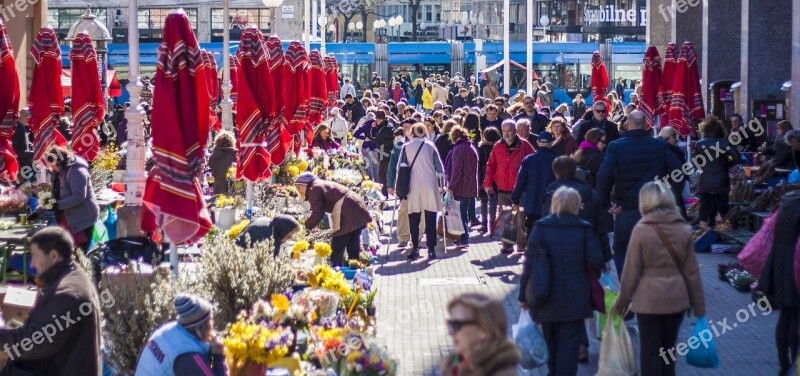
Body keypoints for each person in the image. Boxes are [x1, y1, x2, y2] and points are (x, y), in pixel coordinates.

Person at [612, 182, 706, 376]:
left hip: (648, 301)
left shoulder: (641, 230)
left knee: (650, 352)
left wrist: (620, 304)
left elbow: (631, 272)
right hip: (677, 300)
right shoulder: (683, 229)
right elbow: (692, 272)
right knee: (669, 351)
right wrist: (699, 308)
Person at [519, 186, 604, 376]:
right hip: (577, 297)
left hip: (546, 295)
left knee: (551, 341)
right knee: (570, 345)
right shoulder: (584, 228)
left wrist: (522, 294)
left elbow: (529, 263)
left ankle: (552, 372)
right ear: (577, 205)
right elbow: (596, 260)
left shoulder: (541, 228)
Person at [0, 227, 102, 375]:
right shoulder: (75, 278)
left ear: (53, 255)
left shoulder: (67, 293)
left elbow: (33, 343)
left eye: (34, 256)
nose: (32, 265)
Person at [597, 110, 681, 277]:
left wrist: (605, 203)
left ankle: (628, 288)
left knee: (622, 248)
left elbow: (603, 176)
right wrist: (666, 193)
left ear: (627, 124)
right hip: (654, 208)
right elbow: (679, 171)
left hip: (626, 208)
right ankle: (649, 288)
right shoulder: (659, 145)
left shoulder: (616, 146)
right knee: (654, 249)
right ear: (646, 125)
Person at [758, 185, 800, 375]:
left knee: (786, 315)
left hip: (780, 263)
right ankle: (794, 364)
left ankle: (784, 365)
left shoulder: (787, 201)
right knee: (795, 319)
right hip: (796, 266)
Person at [135, 294, 227, 376]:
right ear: (203, 326)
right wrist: (219, 356)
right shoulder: (187, 355)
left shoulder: (168, 331)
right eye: (210, 320)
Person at [294, 173, 372, 266]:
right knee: (353, 244)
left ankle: (336, 271)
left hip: (346, 211)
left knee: (338, 245)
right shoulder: (318, 185)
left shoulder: (314, 189)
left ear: (305, 185)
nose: (299, 191)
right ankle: (354, 270)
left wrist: (307, 225)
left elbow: (318, 212)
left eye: (299, 187)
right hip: (355, 206)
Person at [484, 120, 535, 253]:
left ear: (515, 131)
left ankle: (521, 244)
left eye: (509, 130)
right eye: (504, 131)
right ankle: (507, 245)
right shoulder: (498, 146)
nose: (506, 134)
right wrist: (487, 183)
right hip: (503, 188)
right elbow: (491, 165)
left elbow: (533, 163)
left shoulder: (524, 145)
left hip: (520, 189)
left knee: (520, 217)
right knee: (506, 217)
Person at [441, 293, 521, 376]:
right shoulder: (456, 364)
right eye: (450, 323)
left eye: (456, 325)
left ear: (484, 329)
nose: (450, 332)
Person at [399, 123, 444, 260]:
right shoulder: (430, 146)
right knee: (431, 217)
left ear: (412, 133)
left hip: (414, 185)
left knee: (414, 218)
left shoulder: (406, 147)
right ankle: (431, 249)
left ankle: (415, 248)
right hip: (430, 184)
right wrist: (443, 185)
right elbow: (440, 168)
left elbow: (401, 167)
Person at [45, 146, 100, 251]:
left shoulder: (77, 171)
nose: (50, 167)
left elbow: (79, 196)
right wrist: (37, 212)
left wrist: (57, 205)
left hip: (82, 220)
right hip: (67, 219)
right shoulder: (57, 173)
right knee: (67, 254)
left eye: (50, 163)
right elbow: (53, 197)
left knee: (79, 255)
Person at [511, 131, 559, 241]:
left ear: (537, 142)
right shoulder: (556, 159)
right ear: (551, 143)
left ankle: (531, 253)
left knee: (531, 231)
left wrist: (515, 198)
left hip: (532, 202)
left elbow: (521, 181)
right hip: (550, 203)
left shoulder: (529, 159)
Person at [694, 117, 741, 228]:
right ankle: (720, 232)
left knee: (704, 209)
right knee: (722, 207)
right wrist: (726, 164)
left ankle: (702, 235)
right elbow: (736, 158)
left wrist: (705, 167)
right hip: (722, 182)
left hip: (705, 182)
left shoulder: (700, 144)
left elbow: (696, 163)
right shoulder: (725, 142)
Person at [387, 120, 425, 249]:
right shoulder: (399, 145)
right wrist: (390, 184)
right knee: (403, 210)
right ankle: (403, 238)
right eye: (403, 128)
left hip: (420, 182)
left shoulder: (425, 144)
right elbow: (392, 165)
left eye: (407, 128)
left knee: (420, 211)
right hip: (404, 183)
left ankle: (418, 238)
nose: (404, 130)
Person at [445, 126, 479, 248]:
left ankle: (464, 239)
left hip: (461, 187)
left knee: (461, 215)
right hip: (471, 186)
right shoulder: (471, 147)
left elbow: (456, 171)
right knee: (465, 213)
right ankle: (464, 238)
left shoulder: (458, 149)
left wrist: (451, 187)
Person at [235, 214, 301, 256]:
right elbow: (272, 265)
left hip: (234, 247)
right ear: (283, 231)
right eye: (289, 236)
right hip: (239, 255)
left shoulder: (266, 220)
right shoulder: (272, 238)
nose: (289, 238)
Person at [659, 126, 688, 219]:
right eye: (675, 137)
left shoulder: (656, 148)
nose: (676, 140)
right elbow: (679, 168)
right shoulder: (672, 150)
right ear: (671, 137)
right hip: (671, 185)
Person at [477, 127, 501, 234]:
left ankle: (484, 223)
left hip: (483, 177)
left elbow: (478, 164)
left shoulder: (481, 148)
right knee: (493, 201)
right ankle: (492, 224)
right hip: (496, 177)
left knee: (483, 201)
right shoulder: (498, 147)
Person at [208, 131, 237, 195]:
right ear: (232, 142)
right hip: (232, 190)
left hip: (216, 190)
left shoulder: (212, 157)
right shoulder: (235, 154)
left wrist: (211, 186)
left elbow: (209, 175)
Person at [12, 109, 34, 184]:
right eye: (29, 118)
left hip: (26, 164)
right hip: (22, 165)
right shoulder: (18, 129)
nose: (30, 120)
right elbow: (14, 149)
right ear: (24, 117)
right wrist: (31, 154)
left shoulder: (23, 128)